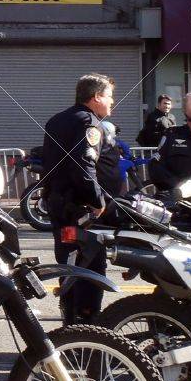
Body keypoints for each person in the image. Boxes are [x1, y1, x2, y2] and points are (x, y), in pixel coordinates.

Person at [40, 73, 124, 325]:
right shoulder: (90, 124)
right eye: (109, 96)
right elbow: (83, 165)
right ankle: (86, 326)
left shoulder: (57, 120)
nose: (112, 102)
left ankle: (70, 321)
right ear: (96, 97)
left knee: (69, 265)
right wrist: (98, 200)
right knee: (90, 269)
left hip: (60, 207)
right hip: (82, 212)